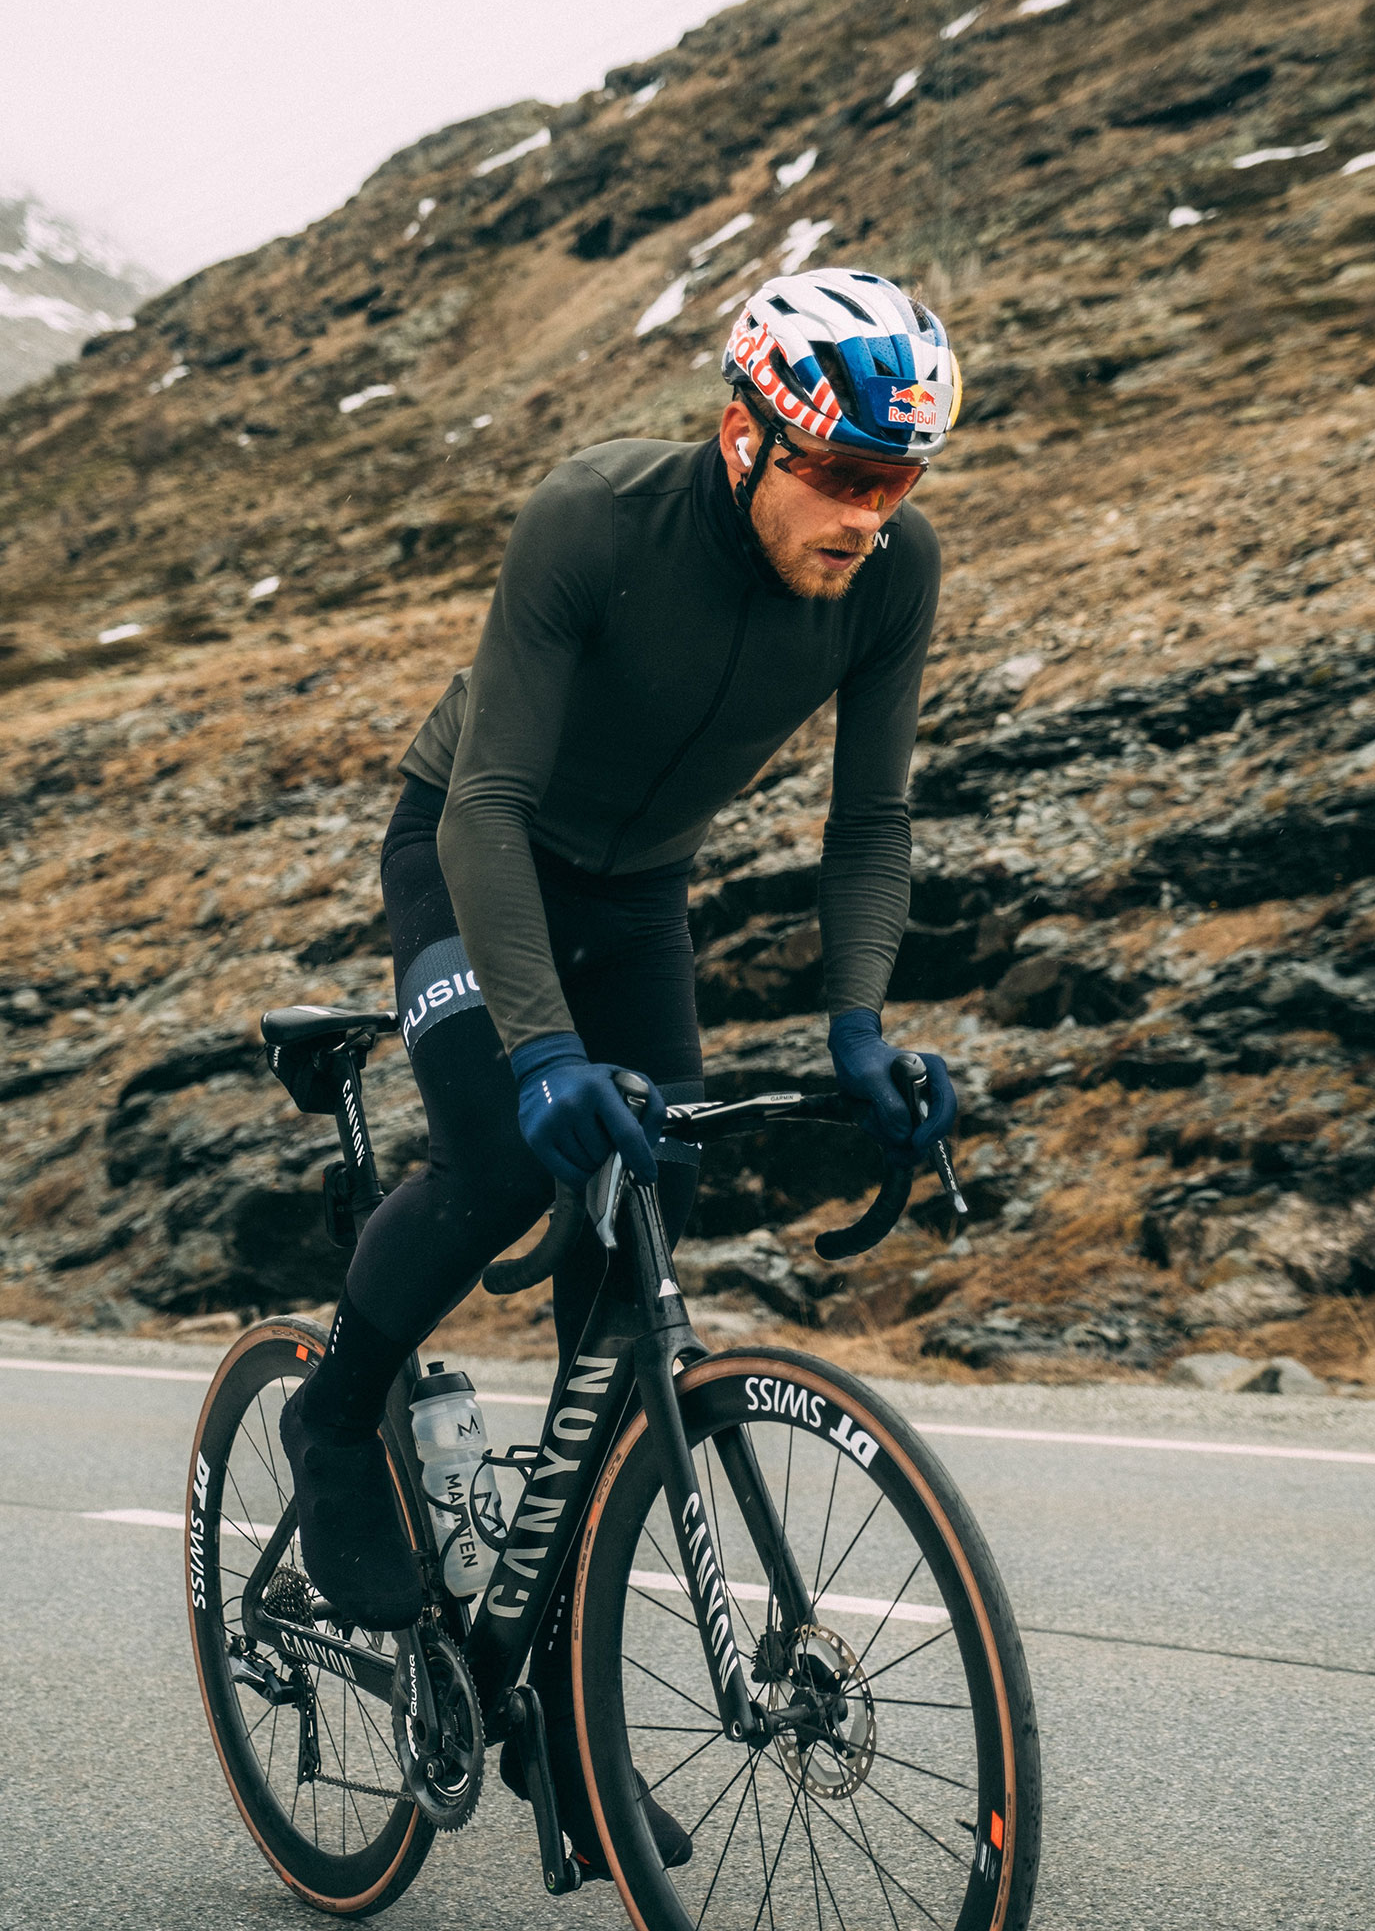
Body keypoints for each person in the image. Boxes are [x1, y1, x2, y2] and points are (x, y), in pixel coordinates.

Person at [280, 264, 962, 1874]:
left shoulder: (894, 573)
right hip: (472, 848)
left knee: (662, 1185)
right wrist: (536, 1051)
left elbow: (870, 821)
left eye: (899, 481)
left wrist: (860, 1033)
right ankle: (335, 1416)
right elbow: (488, 805)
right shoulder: (594, 521)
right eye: (843, 474)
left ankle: (554, 1703)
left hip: (640, 889)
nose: (868, 516)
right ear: (747, 437)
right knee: (509, 1157)